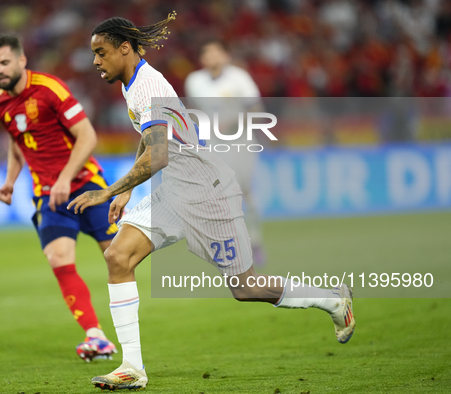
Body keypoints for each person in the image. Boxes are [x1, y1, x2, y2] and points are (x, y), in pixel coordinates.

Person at [68, 13, 355, 390]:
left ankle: (333, 302)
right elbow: (151, 138)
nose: (95, 61)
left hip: (207, 192)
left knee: (245, 288)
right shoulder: (132, 83)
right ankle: (132, 368)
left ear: (124, 48)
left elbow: (158, 155)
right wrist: (125, 191)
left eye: (101, 52)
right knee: (117, 257)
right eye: (93, 54)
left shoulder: (148, 86)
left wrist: (108, 190)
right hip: (173, 192)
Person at [0, 34, 117, 362]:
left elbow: (87, 136)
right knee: (59, 259)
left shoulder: (50, 88)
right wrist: (10, 181)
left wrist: (65, 178)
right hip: (50, 195)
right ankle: (96, 336)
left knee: (119, 258)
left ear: (21, 60)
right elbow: (18, 142)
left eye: (4, 62)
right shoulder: (0, 103)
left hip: (87, 186)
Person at [185, 39, 266, 266]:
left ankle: (255, 241)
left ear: (226, 55)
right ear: (202, 59)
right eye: (207, 53)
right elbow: (196, 111)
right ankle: (229, 246)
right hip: (213, 145)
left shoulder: (239, 78)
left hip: (240, 141)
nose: (212, 57)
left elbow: (256, 109)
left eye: (216, 52)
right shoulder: (195, 81)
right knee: (218, 195)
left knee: (245, 192)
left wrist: (231, 123)